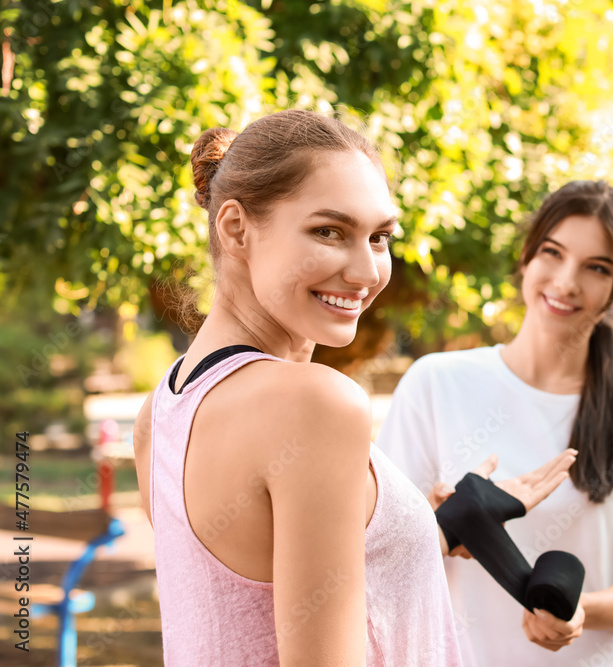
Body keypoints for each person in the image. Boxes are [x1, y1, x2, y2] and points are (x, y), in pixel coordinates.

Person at [130, 109, 575, 666]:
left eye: (381, 237)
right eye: (329, 231)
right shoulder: (315, 403)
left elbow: (255, 602)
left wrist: (441, 524)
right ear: (236, 227)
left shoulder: (162, 412)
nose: (367, 272)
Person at [377, 180, 613, 666]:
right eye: (552, 254)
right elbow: (382, 558)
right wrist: (444, 526)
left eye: (596, 268)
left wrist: (580, 612)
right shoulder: (435, 384)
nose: (565, 282)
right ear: (526, 259)